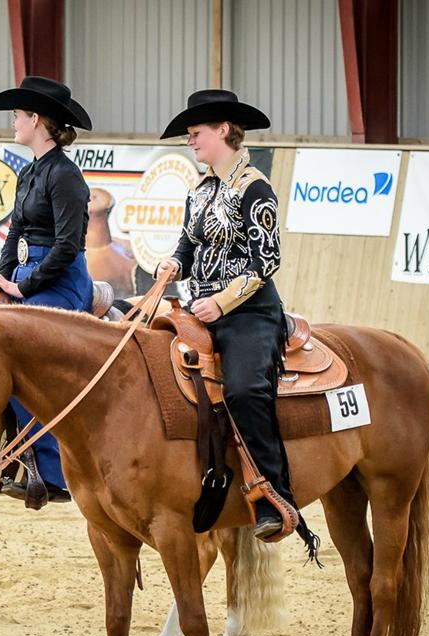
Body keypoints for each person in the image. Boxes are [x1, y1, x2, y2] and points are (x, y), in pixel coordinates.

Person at [155, 89, 296, 540]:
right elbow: (188, 243)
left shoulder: (255, 186)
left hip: (248, 313)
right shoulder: (201, 190)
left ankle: (276, 496)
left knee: (245, 390)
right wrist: (174, 263)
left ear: (222, 130)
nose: (191, 141)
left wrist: (222, 302)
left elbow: (267, 260)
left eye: (196, 133)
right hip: (201, 308)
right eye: (189, 136)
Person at [0, 76, 94, 508]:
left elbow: (67, 247)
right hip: (28, 272)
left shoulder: (66, 176)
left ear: (37, 120)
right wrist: (2, 279)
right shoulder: (29, 171)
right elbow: (16, 232)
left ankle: (52, 473)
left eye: (17, 115)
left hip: (61, 283)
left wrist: (23, 285)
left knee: (19, 357)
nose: (13, 122)